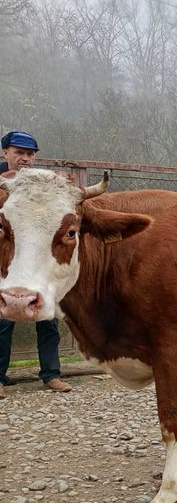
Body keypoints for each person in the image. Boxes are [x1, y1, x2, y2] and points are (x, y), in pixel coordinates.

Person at [0, 131, 72, 398]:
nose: (25, 158)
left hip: (37, 263)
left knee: (47, 317)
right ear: (5, 153)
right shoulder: (1, 182)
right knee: (3, 320)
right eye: (19, 152)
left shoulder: (42, 183)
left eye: (30, 154)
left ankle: (51, 375)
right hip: (6, 262)